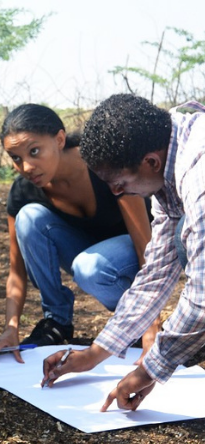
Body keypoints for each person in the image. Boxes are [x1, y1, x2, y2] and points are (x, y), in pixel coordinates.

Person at [42, 94, 205, 412]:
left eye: (118, 183)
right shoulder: (165, 153)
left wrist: (149, 369)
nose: (116, 193)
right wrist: (94, 354)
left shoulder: (198, 178)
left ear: (151, 162)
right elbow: (156, 271)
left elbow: (202, 295)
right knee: (180, 237)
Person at [0, 103, 156, 363]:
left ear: (60, 139)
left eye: (34, 151)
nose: (26, 166)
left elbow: (146, 249)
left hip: (138, 253)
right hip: (90, 257)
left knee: (90, 267)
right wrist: (11, 328)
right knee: (28, 217)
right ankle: (57, 322)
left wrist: (152, 328)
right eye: (16, 158)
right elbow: (16, 272)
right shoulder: (23, 191)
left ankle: (135, 321)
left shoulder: (103, 165)